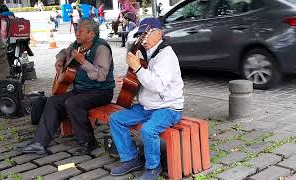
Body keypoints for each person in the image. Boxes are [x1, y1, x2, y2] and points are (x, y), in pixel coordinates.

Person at [21, 18, 115, 155]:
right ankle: (39, 143)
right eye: (76, 31)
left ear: (91, 33)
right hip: (82, 90)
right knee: (53, 101)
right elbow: (63, 52)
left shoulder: (101, 48)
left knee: (73, 103)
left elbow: (101, 76)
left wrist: (83, 61)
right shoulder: (77, 45)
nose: (77, 34)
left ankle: (89, 143)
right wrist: (60, 60)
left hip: (101, 92)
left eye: (80, 31)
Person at [109, 18, 184, 180]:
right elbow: (144, 79)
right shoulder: (145, 53)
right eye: (141, 35)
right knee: (115, 119)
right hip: (147, 107)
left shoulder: (166, 55)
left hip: (168, 108)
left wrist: (136, 68)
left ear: (159, 34)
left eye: (147, 34)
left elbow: (157, 86)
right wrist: (130, 79)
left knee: (148, 130)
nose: (144, 39)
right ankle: (131, 158)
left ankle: (153, 167)